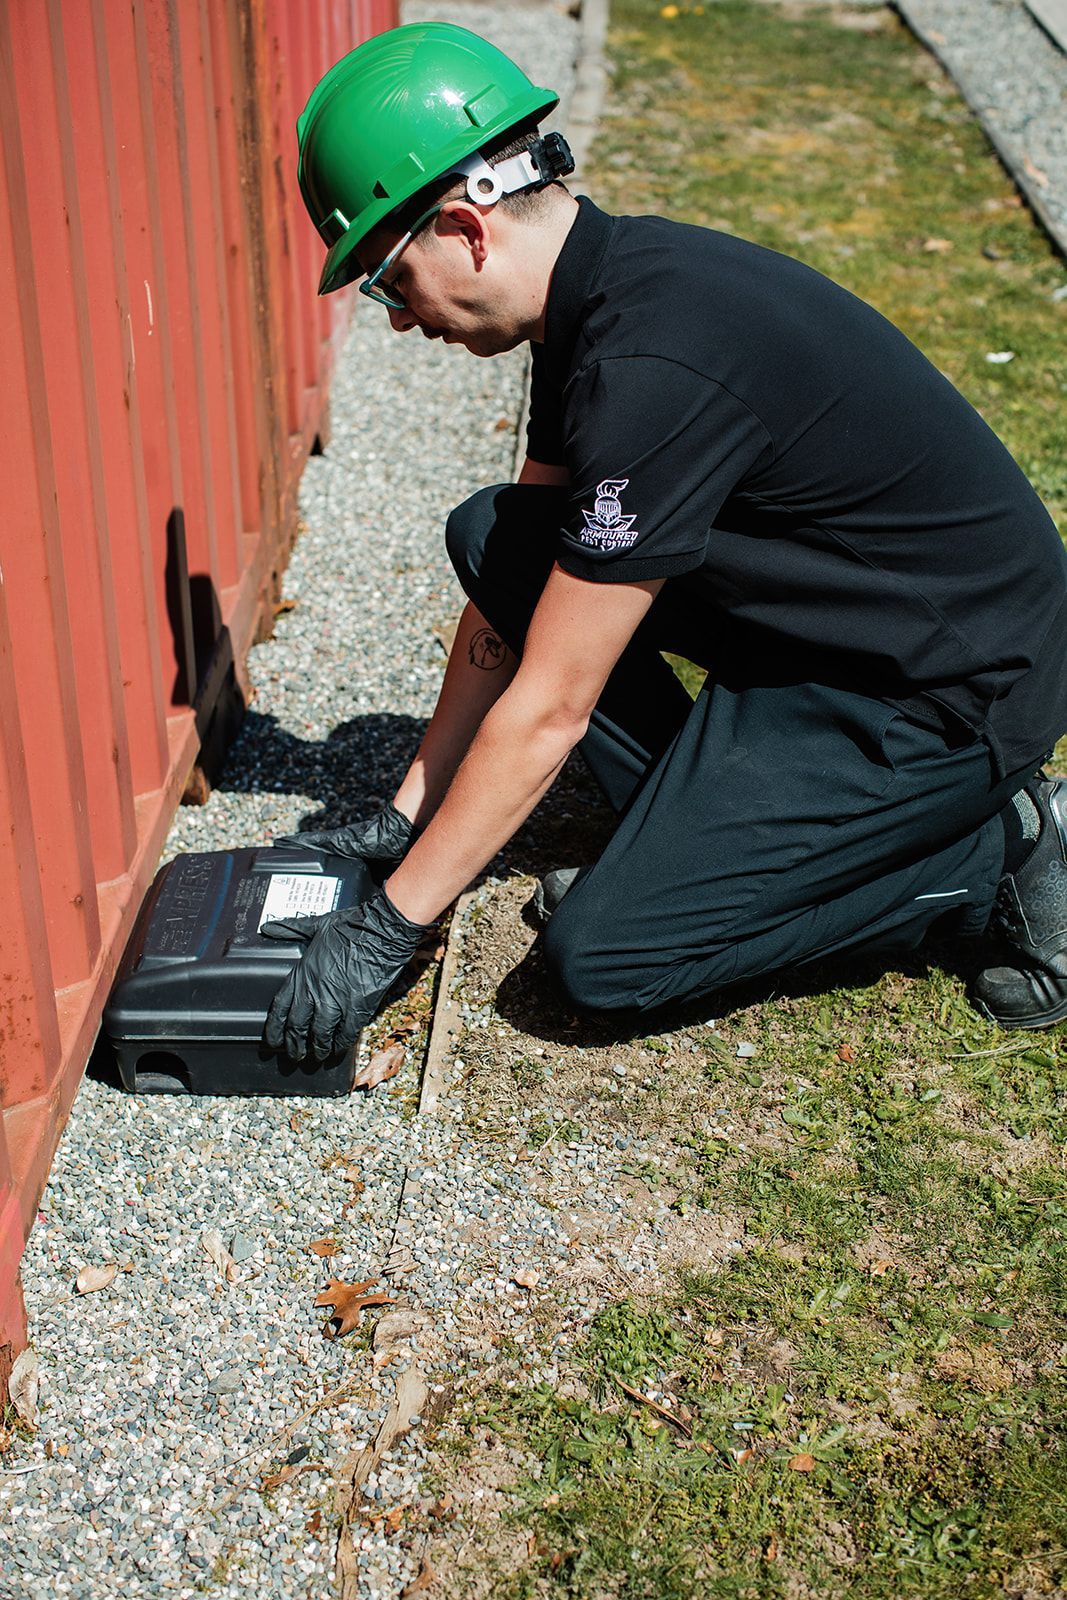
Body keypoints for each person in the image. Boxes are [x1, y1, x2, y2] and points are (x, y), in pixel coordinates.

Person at [262, 20, 1067, 1064]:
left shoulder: (650, 369)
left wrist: (391, 922)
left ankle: (994, 849)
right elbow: (525, 575)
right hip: (826, 631)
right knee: (495, 533)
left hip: (945, 690)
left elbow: (552, 704)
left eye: (387, 282)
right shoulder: (589, 297)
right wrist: (412, 811)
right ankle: (704, 853)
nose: (400, 321)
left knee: (607, 956)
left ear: (465, 230)